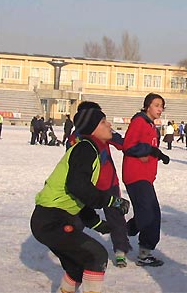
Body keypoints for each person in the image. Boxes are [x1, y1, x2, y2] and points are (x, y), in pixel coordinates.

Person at [30, 105, 130, 293]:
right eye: (103, 121)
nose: (109, 124)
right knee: (96, 256)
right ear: (93, 128)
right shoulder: (86, 148)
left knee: (77, 268)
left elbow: (77, 196)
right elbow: (78, 187)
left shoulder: (92, 150)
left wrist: (98, 224)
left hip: (53, 219)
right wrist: (112, 201)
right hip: (51, 220)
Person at [67, 101, 132, 268]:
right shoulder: (76, 138)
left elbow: (122, 144)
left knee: (116, 216)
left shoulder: (105, 133)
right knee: (78, 217)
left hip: (109, 183)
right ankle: (73, 248)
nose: (104, 123)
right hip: (88, 186)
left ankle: (120, 250)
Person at [122, 93, 170, 267]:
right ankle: (123, 233)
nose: (160, 109)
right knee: (148, 214)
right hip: (135, 175)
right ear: (147, 106)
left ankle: (143, 250)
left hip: (145, 177)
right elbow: (129, 145)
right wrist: (148, 150)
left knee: (152, 213)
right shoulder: (139, 121)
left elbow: (147, 148)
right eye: (156, 105)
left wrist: (157, 154)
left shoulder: (150, 125)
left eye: (162, 106)